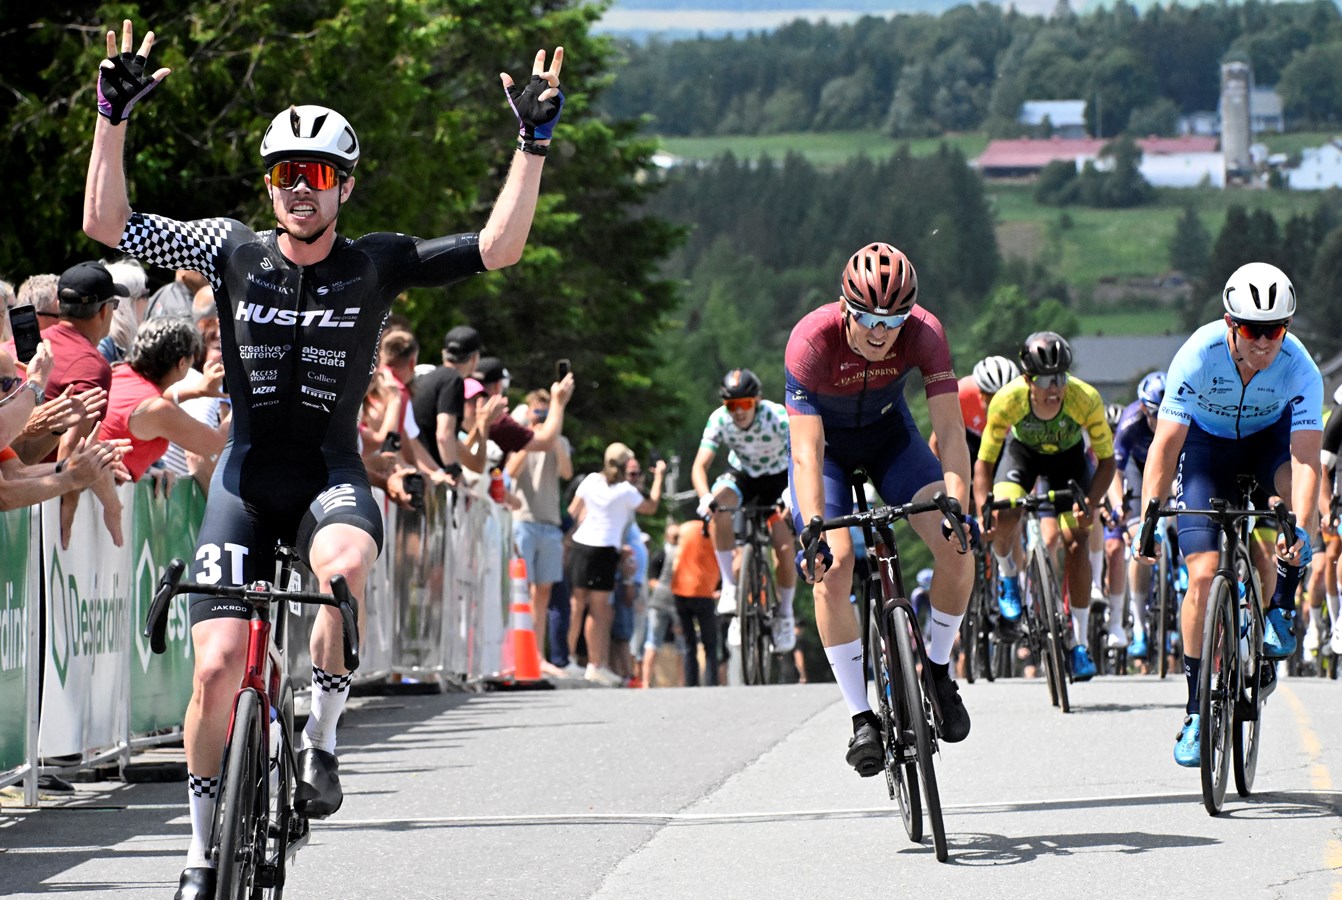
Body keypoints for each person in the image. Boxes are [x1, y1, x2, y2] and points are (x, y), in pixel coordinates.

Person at [81, 19, 566, 898]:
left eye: (316, 176)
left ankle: (321, 737)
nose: (298, 190)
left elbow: (498, 250)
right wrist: (110, 116)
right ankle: (197, 853)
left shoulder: (374, 265)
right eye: (283, 174)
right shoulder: (229, 249)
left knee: (341, 571)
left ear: (343, 185)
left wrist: (531, 146)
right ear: (269, 184)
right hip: (245, 477)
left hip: (331, 478)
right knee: (218, 669)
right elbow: (105, 222)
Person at [786, 241, 976, 777]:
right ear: (844, 306)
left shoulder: (926, 333)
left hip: (892, 440)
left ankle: (937, 671)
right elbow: (804, 452)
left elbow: (949, 433)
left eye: (892, 320)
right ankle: (860, 717)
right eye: (866, 316)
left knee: (956, 548)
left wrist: (955, 504)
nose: (879, 331)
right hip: (826, 452)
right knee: (835, 566)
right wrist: (814, 532)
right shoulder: (810, 340)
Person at [1139, 262, 1321, 768]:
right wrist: (1149, 516)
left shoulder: (1299, 366)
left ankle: (1283, 600)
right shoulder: (1197, 355)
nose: (1265, 342)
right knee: (1200, 576)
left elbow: (1306, 458)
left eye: (1276, 330)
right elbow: (1166, 445)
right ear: (1229, 323)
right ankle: (1197, 710)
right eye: (1253, 329)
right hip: (1205, 451)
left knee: (1290, 509)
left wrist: (1301, 527)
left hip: (1268, 447)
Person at [692, 367, 798, 652]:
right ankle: (730, 587)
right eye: (731, 405)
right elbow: (699, 466)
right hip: (743, 475)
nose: (737, 412)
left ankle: (785, 614)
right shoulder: (719, 419)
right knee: (720, 505)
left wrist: (792, 492)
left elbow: (801, 456)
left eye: (744, 404)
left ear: (757, 401)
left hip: (778, 478)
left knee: (784, 546)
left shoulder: (776, 417)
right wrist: (705, 497)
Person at [566, 443, 664, 685]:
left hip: (581, 545)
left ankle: (566, 657)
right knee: (600, 612)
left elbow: (572, 509)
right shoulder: (625, 491)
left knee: (577, 605)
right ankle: (594, 664)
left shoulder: (590, 480)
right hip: (603, 549)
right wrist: (660, 477)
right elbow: (651, 507)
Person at [96, 318, 228, 481]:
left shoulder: (119, 371)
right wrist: (245, 397)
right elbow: (214, 444)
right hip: (100, 496)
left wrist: (197, 391)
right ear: (181, 363)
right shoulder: (158, 409)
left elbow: (142, 401)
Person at [506, 388, 573, 673]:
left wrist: (552, 436)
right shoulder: (519, 438)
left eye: (547, 412)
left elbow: (567, 473)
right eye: (538, 412)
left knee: (543, 592)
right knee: (523, 589)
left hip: (549, 521)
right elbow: (510, 471)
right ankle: (520, 654)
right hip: (524, 518)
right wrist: (530, 437)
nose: (542, 417)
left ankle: (538, 655)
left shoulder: (561, 440)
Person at [1105, 370, 1167, 660]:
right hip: (1136, 472)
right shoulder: (1131, 422)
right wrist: (1120, 507)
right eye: (1155, 416)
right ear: (1144, 409)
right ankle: (1139, 626)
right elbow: (1114, 473)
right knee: (1138, 542)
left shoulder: (1180, 420)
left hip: (1169, 464)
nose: (1159, 423)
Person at [930, 354, 1020, 474]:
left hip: (1005, 446)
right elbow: (937, 442)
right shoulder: (961, 394)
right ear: (981, 394)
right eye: (993, 398)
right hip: (970, 445)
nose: (1000, 405)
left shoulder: (1023, 400)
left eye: (1006, 399)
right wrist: (938, 478)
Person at [671, 516, 722, 686]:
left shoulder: (685, 528)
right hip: (702, 590)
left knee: (689, 643)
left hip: (680, 589)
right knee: (710, 644)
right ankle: (711, 682)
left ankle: (691, 684)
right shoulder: (713, 531)